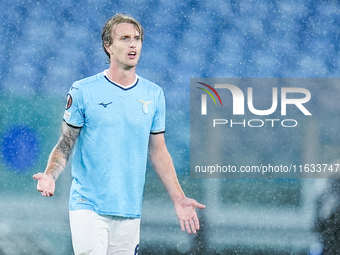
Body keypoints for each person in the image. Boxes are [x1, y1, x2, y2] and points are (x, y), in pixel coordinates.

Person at [33, 13, 205, 255]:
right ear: (108, 46)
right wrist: (51, 175)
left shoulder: (153, 94)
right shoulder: (83, 90)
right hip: (88, 205)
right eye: (124, 38)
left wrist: (178, 198)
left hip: (129, 209)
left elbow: (158, 150)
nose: (132, 44)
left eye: (137, 38)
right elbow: (65, 143)